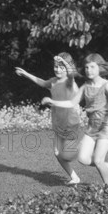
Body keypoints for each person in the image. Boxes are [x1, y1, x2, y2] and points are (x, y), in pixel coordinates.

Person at [42, 53, 108, 185]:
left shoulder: (106, 85)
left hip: (107, 124)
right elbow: (71, 103)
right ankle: (106, 167)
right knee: (83, 159)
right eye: (87, 67)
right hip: (93, 125)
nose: (89, 70)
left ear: (100, 68)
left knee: (98, 160)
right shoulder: (84, 87)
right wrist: (53, 102)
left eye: (92, 67)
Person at [15, 53, 82, 185]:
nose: (57, 69)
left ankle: (86, 150)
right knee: (57, 153)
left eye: (61, 67)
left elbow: (71, 73)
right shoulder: (53, 81)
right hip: (58, 122)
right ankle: (74, 177)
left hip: (71, 122)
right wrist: (26, 74)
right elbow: (42, 82)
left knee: (68, 154)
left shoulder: (69, 82)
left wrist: (63, 61)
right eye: (56, 66)